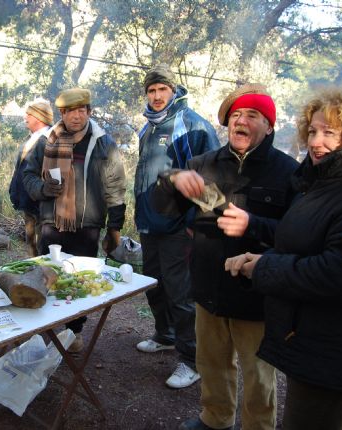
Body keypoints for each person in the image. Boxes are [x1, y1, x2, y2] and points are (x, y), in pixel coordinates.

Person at [151, 84, 299, 430]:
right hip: (207, 288)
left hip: (256, 294)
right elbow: (164, 210)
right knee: (212, 364)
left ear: (269, 126)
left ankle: (257, 427)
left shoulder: (288, 172)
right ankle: (214, 420)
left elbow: (296, 235)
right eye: (235, 116)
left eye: (251, 115)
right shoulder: (203, 164)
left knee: (258, 375)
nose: (240, 122)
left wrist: (253, 224)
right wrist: (171, 179)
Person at [225, 90, 342, 430]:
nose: (316, 141)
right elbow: (305, 244)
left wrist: (265, 267)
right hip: (311, 335)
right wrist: (264, 256)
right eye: (312, 131)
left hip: (335, 348)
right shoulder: (318, 182)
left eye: (330, 132)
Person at [133, 64, 219, 388]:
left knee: (181, 293)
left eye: (162, 90)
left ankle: (190, 360)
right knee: (154, 285)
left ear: (174, 90)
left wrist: (197, 223)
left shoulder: (191, 125)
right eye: (151, 91)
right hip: (149, 222)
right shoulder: (148, 128)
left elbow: (210, 179)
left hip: (178, 226)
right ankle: (164, 335)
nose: (156, 96)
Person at [23, 88, 126, 352]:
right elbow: (29, 175)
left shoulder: (103, 143)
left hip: (87, 224)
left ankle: (74, 330)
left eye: (82, 111)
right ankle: (46, 325)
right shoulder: (47, 140)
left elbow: (115, 187)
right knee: (48, 275)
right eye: (71, 112)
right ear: (62, 114)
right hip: (51, 222)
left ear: (89, 112)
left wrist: (114, 228)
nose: (77, 116)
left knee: (79, 279)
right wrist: (43, 189)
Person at [9, 98, 54, 256]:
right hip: (28, 204)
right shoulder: (32, 138)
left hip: (42, 206)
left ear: (39, 117)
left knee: (43, 248)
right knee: (31, 246)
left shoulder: (51, 139)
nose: (25, 117)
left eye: (29, 114)